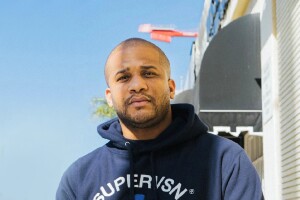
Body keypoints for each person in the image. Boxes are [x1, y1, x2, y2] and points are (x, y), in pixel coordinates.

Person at [56, 38, 263, 200]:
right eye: (124, 77)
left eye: (148, 73)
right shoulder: (79, 179)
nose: (137, 85)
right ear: (109, 97)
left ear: (171, 88)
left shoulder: (224, 160)